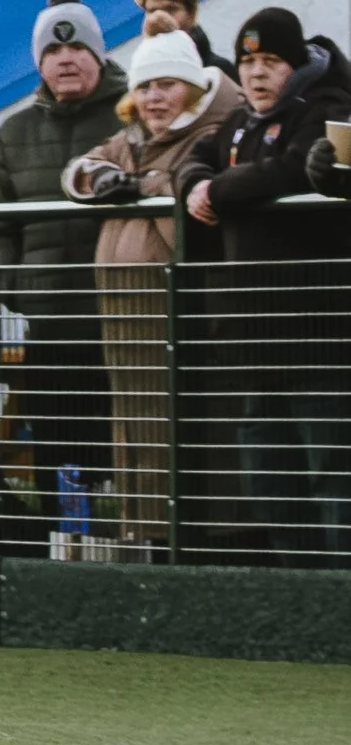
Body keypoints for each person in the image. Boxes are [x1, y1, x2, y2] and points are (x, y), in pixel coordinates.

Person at [175, 7, 351, 559]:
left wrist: (217, 192)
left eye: (270, 60)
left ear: (293, 64)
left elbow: (298, 167)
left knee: (331, 475)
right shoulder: (241, 123)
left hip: (317, 338)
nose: (255, 73)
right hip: (255, 340)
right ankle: (295, 594)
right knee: (270, 481)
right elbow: (195, 158)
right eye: (248, 61)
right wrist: (196, 184)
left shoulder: (327, 107)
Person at [61, 33, 242, 554]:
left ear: (191, 86)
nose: (154, 98)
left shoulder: (212, 134)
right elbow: (74, 172)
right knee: (139, 440)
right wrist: (102, 180)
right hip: (129, 326)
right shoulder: (133, 138)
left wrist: (144, 187)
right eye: (145, 87)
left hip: (183, 327)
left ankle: (205, 548)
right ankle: (147, 541)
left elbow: (189, 203)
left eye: (166, 85)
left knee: (194, 447)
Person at [0, 0, 125, 534]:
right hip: (46, 326)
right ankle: (64, 548)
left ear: (97, 53)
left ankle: (129, 551)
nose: (65, 60)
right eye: (52, 52)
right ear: (39, 62)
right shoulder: (13, 132)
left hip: (117, 321)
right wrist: (14, 289)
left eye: (76, 49)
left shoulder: (131, 115)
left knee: (122, 448)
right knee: (53, 447)